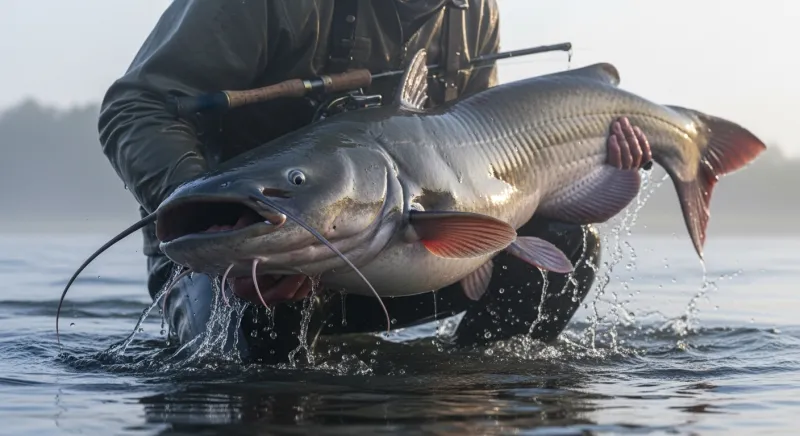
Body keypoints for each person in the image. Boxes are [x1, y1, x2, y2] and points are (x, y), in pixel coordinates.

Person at [98, 0, 652, 363]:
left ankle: (461, 392)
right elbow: (135, 107)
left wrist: (592, 171)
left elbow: (480, 149)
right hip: (240, 254)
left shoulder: (474, 9)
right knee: (257, 360)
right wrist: (207, 211)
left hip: (391, 242)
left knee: (566, 249)